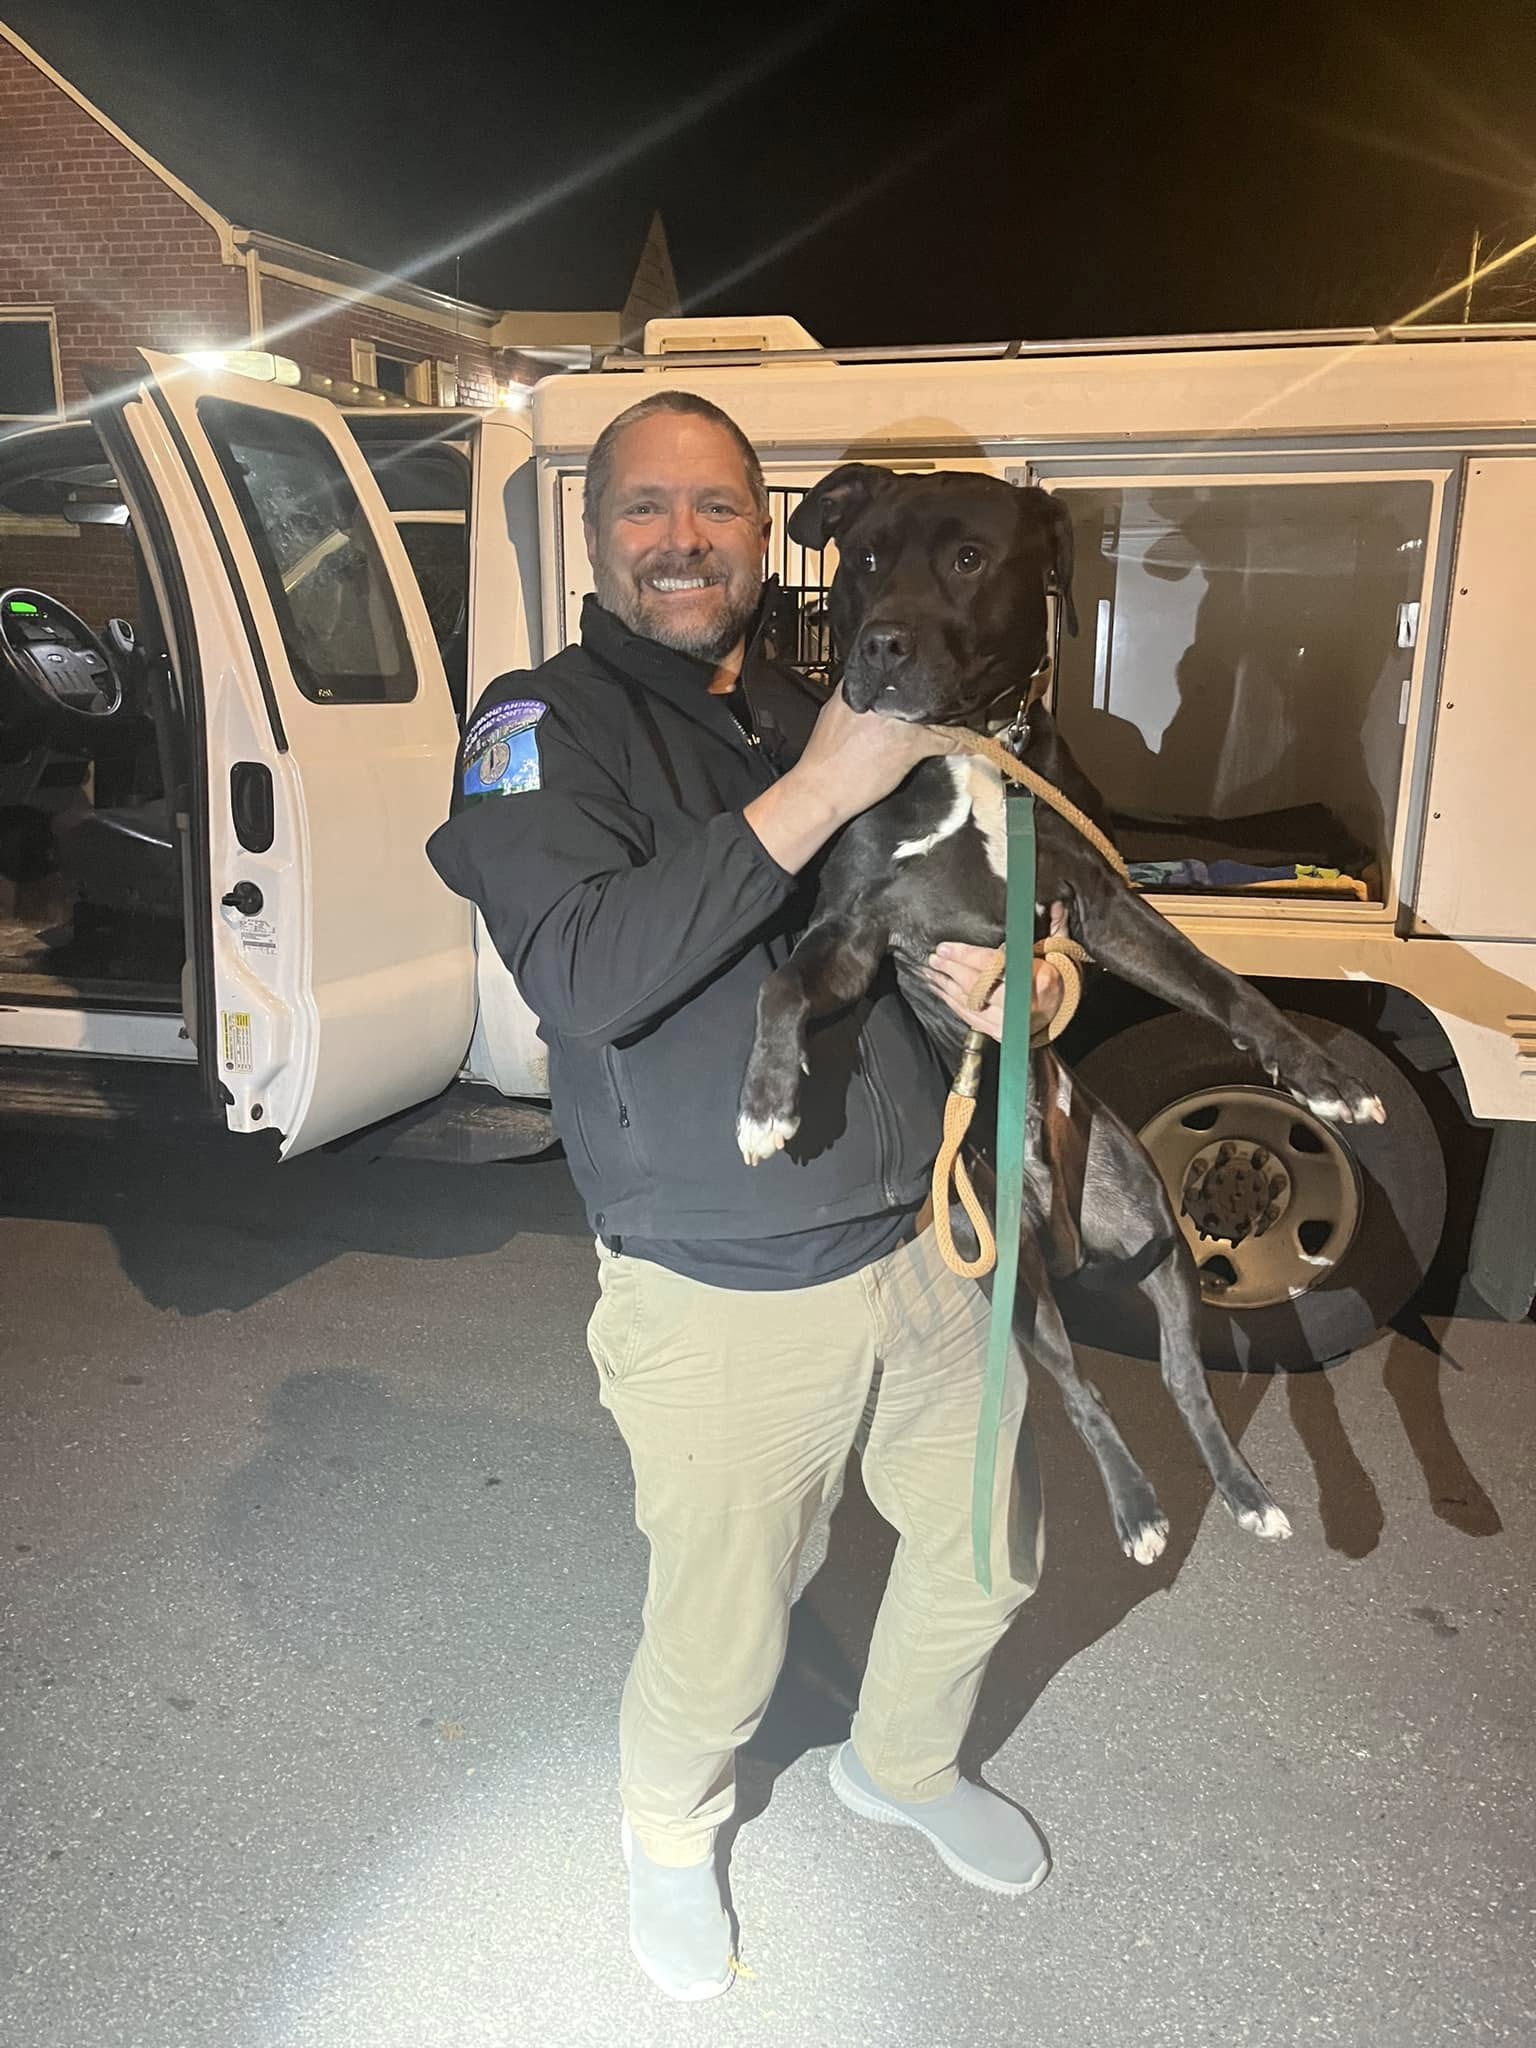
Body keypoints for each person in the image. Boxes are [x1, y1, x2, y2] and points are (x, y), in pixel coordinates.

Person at [427, 391, 1062, 2002]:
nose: (685, 541)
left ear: (765, 531)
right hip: (722, 1287)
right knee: (725, 1639)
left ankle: (901, 1768)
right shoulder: (539, 725)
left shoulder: (823, 697)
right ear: (597, 532)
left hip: (929, 1242)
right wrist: (822, 788)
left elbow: (929, 920)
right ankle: (668, 1833)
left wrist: (1022, 983)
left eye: (716, 509)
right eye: (648, 508)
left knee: (992, 1556)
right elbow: (580, 974)